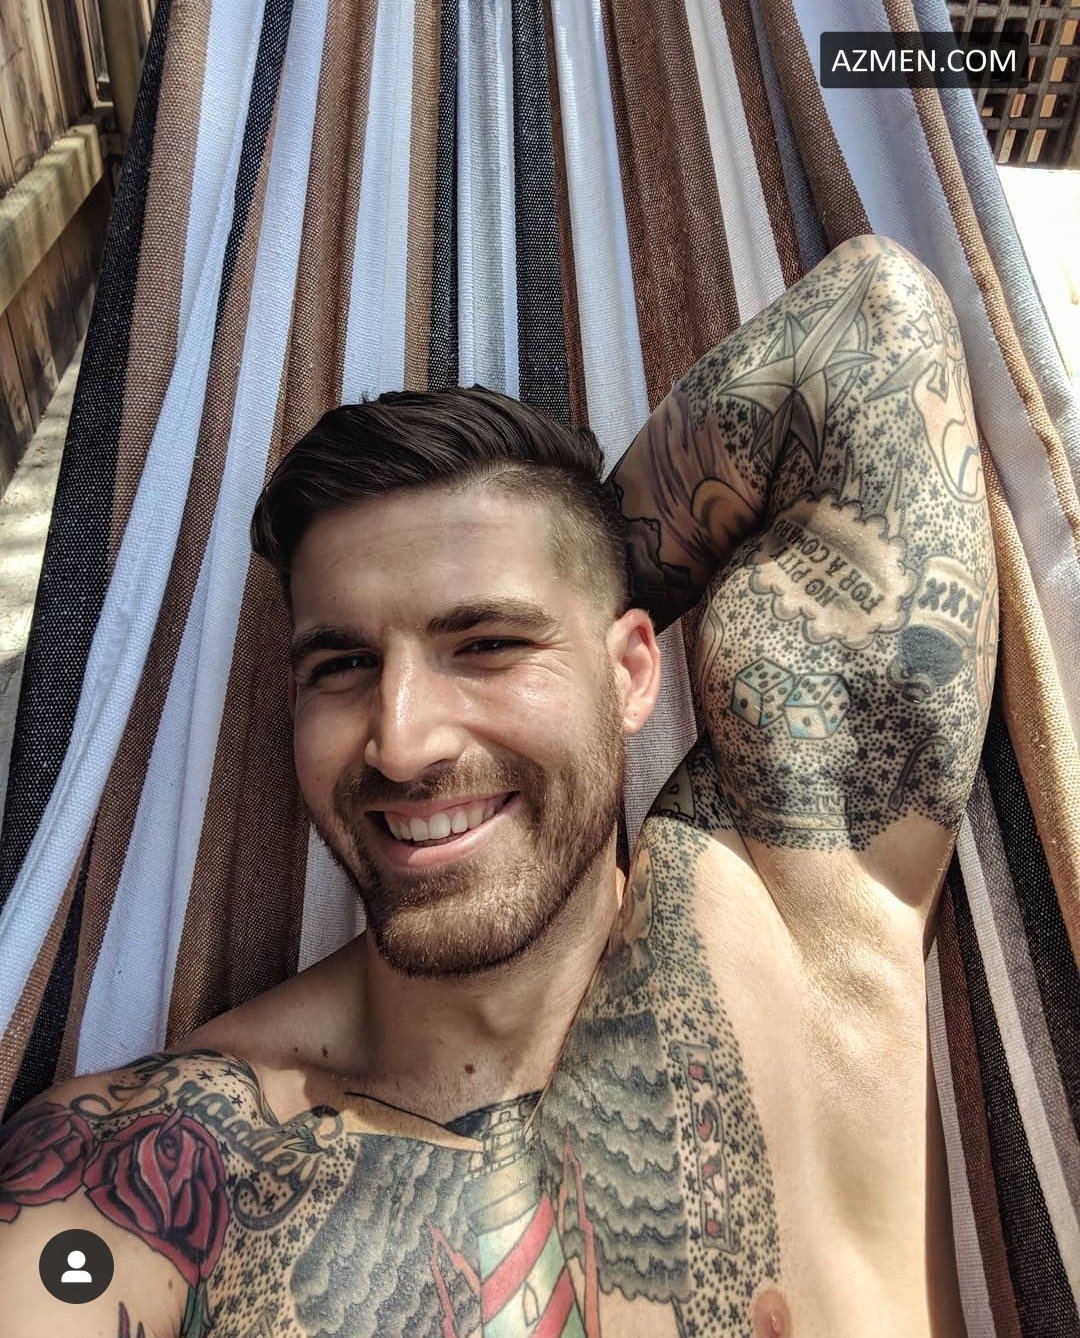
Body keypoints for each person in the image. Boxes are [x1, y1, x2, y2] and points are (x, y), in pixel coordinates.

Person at [0, 235, 995, 1338]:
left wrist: (580, 568)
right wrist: (553, 629)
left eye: (486, 645)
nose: (402, 741)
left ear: (634, 672)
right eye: (342, 664)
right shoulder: (159, 1171)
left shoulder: (794, 923)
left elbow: (870, 321)